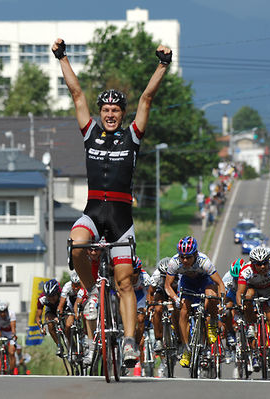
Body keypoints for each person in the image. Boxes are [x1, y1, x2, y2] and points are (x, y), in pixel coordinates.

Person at [53, 37, 172, 368]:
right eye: (104, 110)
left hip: (121, 218)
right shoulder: (89, 132)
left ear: (121, 114)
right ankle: (92, 292)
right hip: (94, 212)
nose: (108, 114)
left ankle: (131, 341)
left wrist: (162, 65)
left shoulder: (132, 136)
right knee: (76, 245)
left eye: (114, 110)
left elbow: (147, 98)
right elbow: (77, 94)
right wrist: (61, 57)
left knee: (124, 284)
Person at [164, 236, 226, 368]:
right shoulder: (174, 262)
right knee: (183, 312)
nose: (185, 260)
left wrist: (222, 302)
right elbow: (167, 286)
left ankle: (212, 323)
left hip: (205, 282)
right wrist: (176, 299)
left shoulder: (204, 261)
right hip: (187, 283)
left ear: (195, 255)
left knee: (211, 295)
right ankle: (186, 350)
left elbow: (219, 283)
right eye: (182, 257)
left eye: (189, 257)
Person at [236, 246, 270, 373]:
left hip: (269, 292)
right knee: (248, 295)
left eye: (265, 263)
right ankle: (251, 325)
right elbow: (239, 293)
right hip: (253, 291)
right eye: (258, 264)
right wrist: (240, 305)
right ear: (253, 263)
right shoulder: (246, 270)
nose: (262, 267)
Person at [147, 256, 179, 353]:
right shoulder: (156, 275)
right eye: (164, 276)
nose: (167, 278)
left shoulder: (179, 274)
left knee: (176, 310)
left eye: (169, 275)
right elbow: (151, 292)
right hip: (161, 291)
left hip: (174, 292)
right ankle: (158, 340)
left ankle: (179, 336)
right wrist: (150, 306)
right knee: (157, 310)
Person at [35, 279, 64, 357]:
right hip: (51, 310)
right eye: (48, 297)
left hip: (64, 307)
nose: (51, 299)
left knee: (68, 324)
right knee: (49, 323)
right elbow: (38, 317)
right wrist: (41, 327)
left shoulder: (63, 294)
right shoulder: (42, 299)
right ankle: (59, 345)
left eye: (53, 296)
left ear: (57, 293)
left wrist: (60, 317)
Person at [0, 301, 18, 374]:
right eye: (0, 312)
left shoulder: (11, 313)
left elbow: (13, 327)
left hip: (10, 332)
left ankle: (11, 371)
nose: (2, 314)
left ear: (7, 310)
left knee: (11, 353)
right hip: (1, 331)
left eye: (4, 312)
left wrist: (13, 335)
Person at [222, 258, 245, 347]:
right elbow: (223, 296)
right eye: (235, 278)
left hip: (244, 294)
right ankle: (230, 333)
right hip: (232, 294)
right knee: (227, 311)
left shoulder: (249, 273)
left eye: (239, 278)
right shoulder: (227, 277)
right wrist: (222, 307)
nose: (237, 279)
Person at [57, 271, 86, 339]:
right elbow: (61, 304)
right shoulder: (67, 286)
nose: (75, 288)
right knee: (68, 325)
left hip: (82, 304)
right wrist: (59, 314)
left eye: (78, 285)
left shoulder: (84, 286)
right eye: (74, 285)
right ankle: (70, 344)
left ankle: (85, 333)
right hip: (71, 305)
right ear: (71, 283)